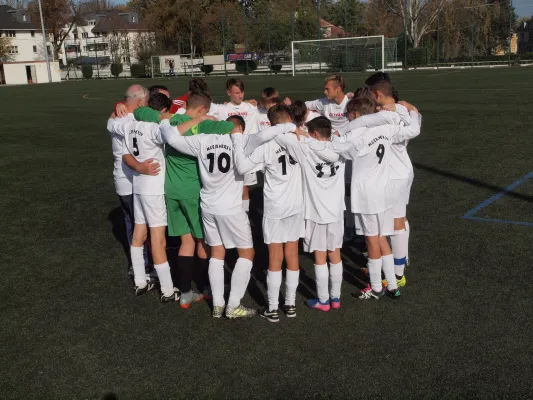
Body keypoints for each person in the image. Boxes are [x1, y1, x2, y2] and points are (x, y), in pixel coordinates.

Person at [158, 115, 295, 319]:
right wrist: (290, 126)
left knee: (216, 253)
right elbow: (266, 134)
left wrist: (164, 122)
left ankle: (217, 305)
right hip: (231, 209)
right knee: (247, 254)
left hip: (208, 207)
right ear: (238, 128)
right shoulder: (242, 140)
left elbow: (172, 139)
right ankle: (233, 305)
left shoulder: (203, 140)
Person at [133, 91, 235, 308]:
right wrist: (217, 122)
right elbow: (228, 128)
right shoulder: (199, 124)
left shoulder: (171, 119)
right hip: (193, 190)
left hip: (171, 190)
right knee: (203, 241)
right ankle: (206, 287)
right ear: (201, 111)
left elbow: (140, 111)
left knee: (185, 241)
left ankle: (186, 291)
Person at [329, 96, 421, 300]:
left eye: (348, 115)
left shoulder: (357, 135)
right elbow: (414, 130)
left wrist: (335, 134)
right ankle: (393, 285)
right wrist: (412, 111)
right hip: (385, 192)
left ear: (355, 114)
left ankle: (377, 287)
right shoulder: (386, 129)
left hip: (366, 195)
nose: (346, 118)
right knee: (382, 238)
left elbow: (334, 149)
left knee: (372, 240)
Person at [231, 105, 306, 321]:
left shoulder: (267, 145)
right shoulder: (298, 140)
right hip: (295, 205)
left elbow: (243, 168)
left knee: (275, 256)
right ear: (289, 119)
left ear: (270, 124)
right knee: (291, 253)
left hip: (275, 206)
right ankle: (290, 305)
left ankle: (273, 308)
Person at [107, 93, 179, 303]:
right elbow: (171, 133)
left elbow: (112, 125)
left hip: (137, 185)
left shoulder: (129, 126)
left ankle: (140, 281)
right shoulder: (154, 128)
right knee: (158, 239)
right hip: (153, 189)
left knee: (139, 233)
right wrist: (165, 120)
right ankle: (167, 290)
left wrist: (118, 107)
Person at [365, 72, 419, 286]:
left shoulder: (395, 113)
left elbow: (415, 127)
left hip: (395, 175)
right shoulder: (399, 109)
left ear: (377, 93)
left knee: (396, 222)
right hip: (397, 171)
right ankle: (400, 261)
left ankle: (398, 274)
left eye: (370, 94)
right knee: (399, 220)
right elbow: (416, 116)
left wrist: (402, 109)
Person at [107, 84, 159, 282]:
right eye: (145, 103)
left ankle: (139, 267)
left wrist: (116, 106)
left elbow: (110, 123)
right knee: (144, 226)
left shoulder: (114, 119)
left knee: (132, 224)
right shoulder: (135, 122)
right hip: (136, 181)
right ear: (139, 102)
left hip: (122, 181)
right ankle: (146, 267)